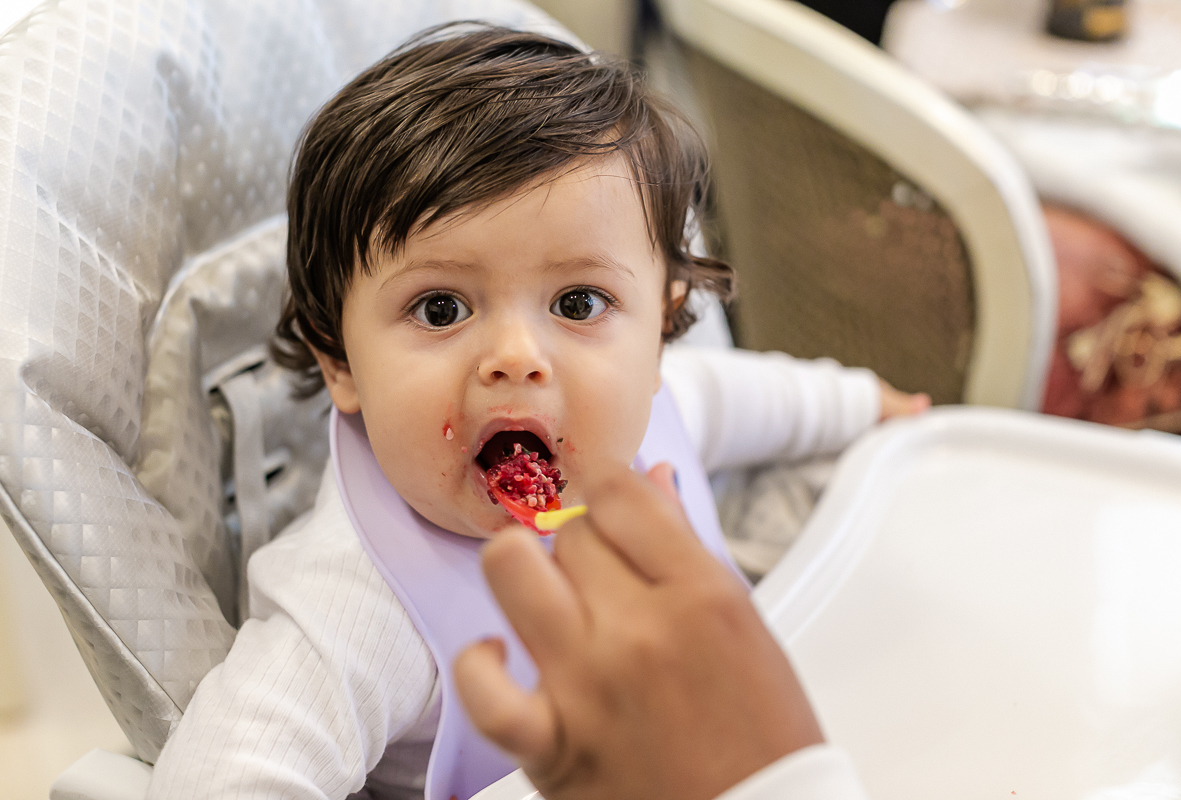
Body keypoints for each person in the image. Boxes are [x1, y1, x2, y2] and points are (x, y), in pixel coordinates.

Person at [146, 23, 926, 799]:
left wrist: (869, 406)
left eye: (578, 301)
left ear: (659, 331)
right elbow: (221, 777)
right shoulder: (358, 602)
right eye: (442, 307)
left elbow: (759, 401)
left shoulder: (656, 411)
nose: (517, 355)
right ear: (341, 363)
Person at [455, 461, 871, 800]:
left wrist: (862, 399)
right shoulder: (387, 627)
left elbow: (748, 396)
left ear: (655, 371)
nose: (517, 357)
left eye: (587, 349)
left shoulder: (664, 415)